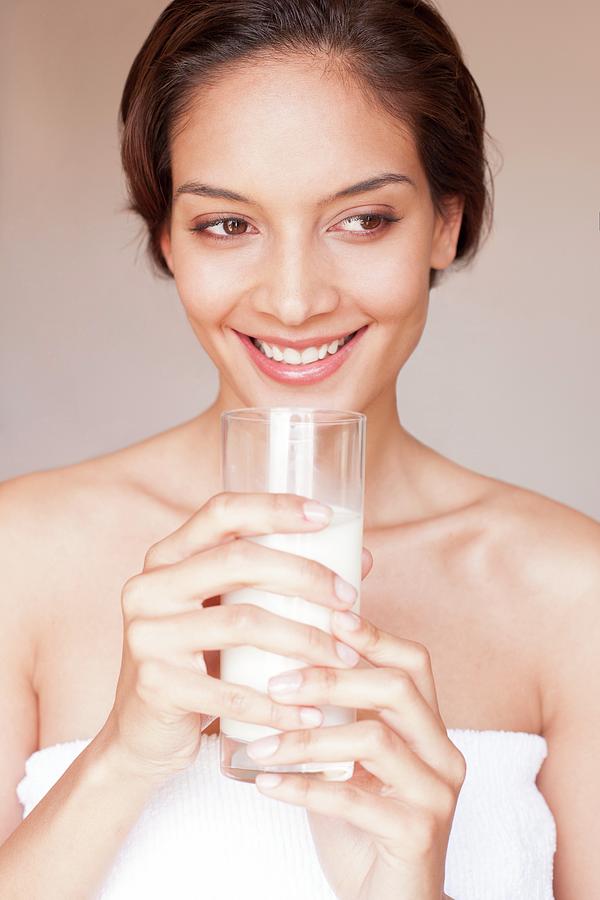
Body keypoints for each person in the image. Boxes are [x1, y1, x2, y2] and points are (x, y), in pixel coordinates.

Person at [1, 0, 598, 897]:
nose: (291, 301)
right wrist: (122, 756)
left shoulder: (572, 592)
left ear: (446, 220)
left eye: (361, 220)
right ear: (167, 234)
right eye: (227, 225)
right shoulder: (20, 554)